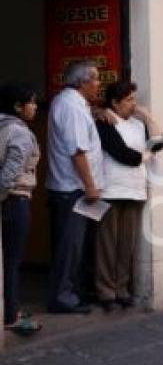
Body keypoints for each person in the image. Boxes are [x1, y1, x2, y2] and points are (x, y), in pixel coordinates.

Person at [94, 81, 163, 312]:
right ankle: (106, 291)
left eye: (134, 98)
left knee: (127, 243)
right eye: (129, 100)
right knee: (107, 244)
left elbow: (158, 144)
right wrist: (145, 155)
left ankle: (122, 289)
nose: (134, 104)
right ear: (115, 102)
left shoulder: (137, 124)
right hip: (111, 189)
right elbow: (123, 154)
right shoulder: (104, 122)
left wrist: (149, 118)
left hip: (135, 189)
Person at [45, 60, 104, 314]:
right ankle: (63, 298)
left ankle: (74, 293)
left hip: (74, 189)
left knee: (77, 246)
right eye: (96, 79)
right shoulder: (71, 107)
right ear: (83, 82)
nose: (99, 84)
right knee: (70, 247)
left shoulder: (75, 104)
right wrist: (90, 186)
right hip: (74, 190)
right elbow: (77, 151)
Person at [0, 83, 42, 336]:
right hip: (15, 199)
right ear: (18, 107)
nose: (36, 107)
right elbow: (11, 171)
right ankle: (11, 315)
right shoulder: (19, 132)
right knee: (13, 260)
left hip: (8, 198)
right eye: (32, 102)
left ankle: (10, 306)